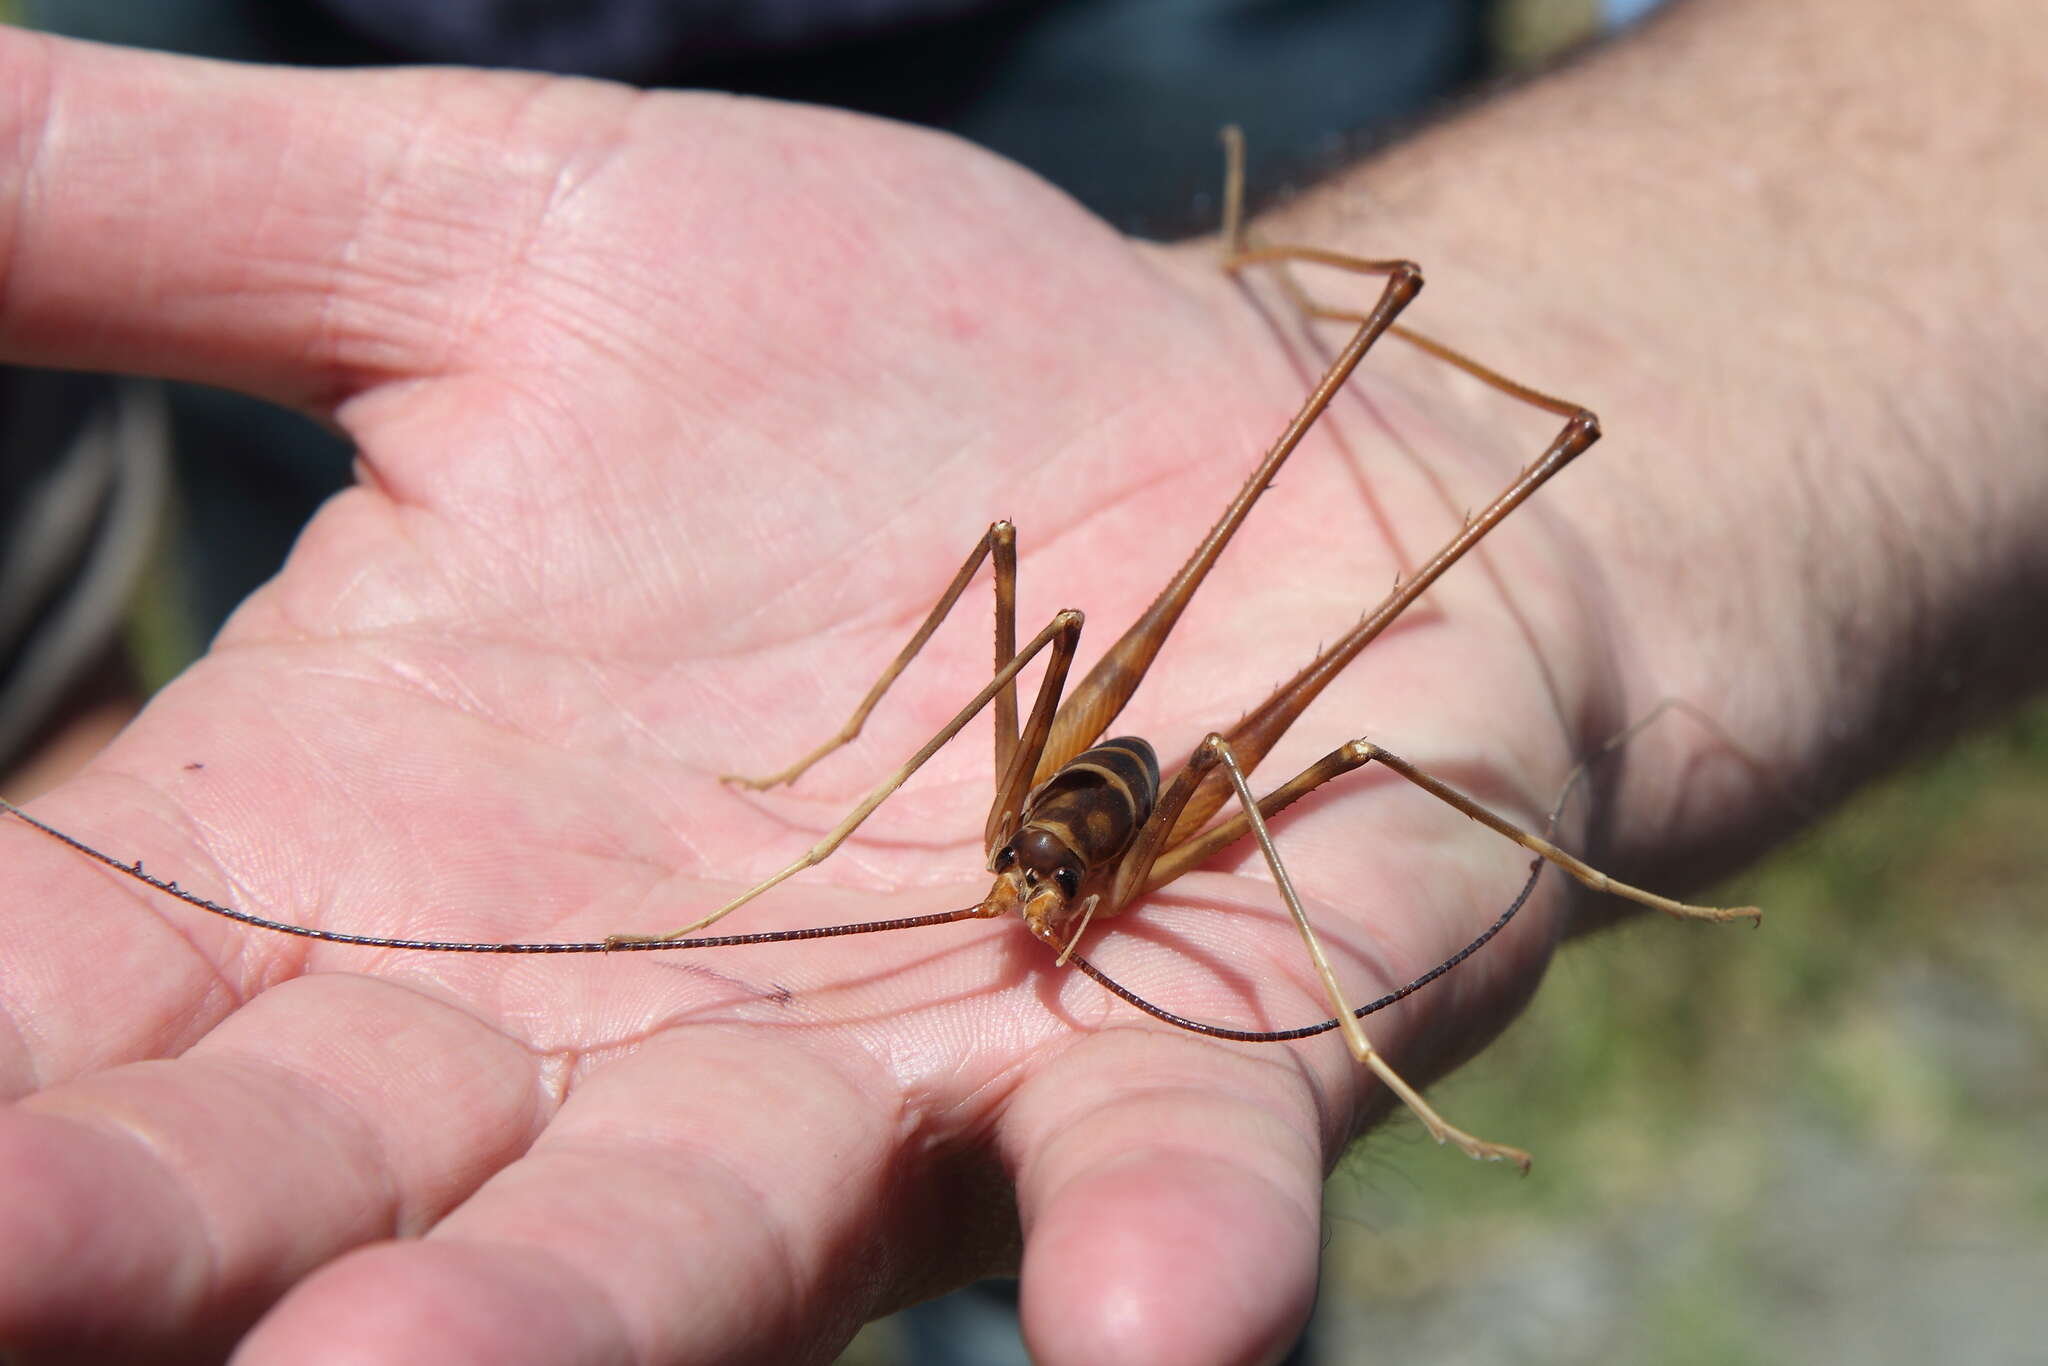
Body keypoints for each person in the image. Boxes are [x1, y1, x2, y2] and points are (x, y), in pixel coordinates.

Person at [0, 3, 2042, 1364]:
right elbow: (1000, 610)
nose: (1027, 924)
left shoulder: (1124, 868)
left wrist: (1357, 1020)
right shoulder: (1004, 847)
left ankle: (1320, 329)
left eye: (1041, 910)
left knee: (1329, 705)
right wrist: (821, 784)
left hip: (1141, 61)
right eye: (1030, 902)